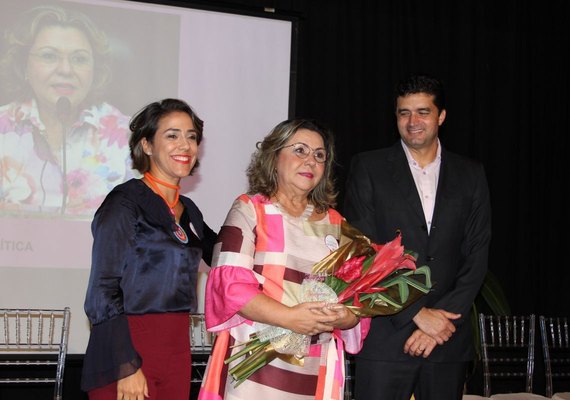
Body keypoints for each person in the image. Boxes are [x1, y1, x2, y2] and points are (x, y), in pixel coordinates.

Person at [344, 74, 492, 400]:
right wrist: (415, 314)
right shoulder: (368, 167)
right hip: (385, 339)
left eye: (423, 112)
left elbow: (477, 254)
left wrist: (440, 325)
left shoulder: (471, 174)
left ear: (441, 116)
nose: (413, 122)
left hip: (447, 341)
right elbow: (363, 250)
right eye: (403, 113)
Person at [198, 119, 370, 400]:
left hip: (317, 366)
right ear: (274, 157)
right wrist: (291, 318)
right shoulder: (250, 209)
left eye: (319, 155)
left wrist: (347, 316)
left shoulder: (337, 223)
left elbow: (357, 298)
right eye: (300, 150)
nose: (310, 161)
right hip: (255, 367)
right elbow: (229, 285)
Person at [81, 98, 217, 400]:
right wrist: (126, 365)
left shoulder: (189, 210)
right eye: (172, 135)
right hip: (127, 348)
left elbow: (224, 255)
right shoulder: (124, 203)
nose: (185, 145)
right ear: (146, 145)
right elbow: (101, 292)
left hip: (176, 349)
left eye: (191, 136)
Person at [0, 5, 131, 216]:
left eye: (79, 59)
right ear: (24, 66)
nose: (66, 70)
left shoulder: (128, 135)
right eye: (49, 56)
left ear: (94, 71)